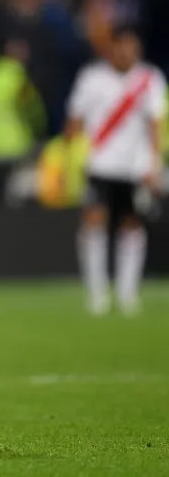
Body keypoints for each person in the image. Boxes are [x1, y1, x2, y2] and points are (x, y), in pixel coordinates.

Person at [64, 21, 166, 316]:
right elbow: (74, 121)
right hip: (99, 163)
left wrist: (154, 164)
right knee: (93, 222)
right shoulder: (91, 78)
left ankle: (127, 293)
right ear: (112, 47)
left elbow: (155, 124)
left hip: (134, 167)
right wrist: (70, 157)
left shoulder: (150, 78)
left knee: (131, 225)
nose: (128, 52)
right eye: (123, 46)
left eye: (134, 47)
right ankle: (96, 293)